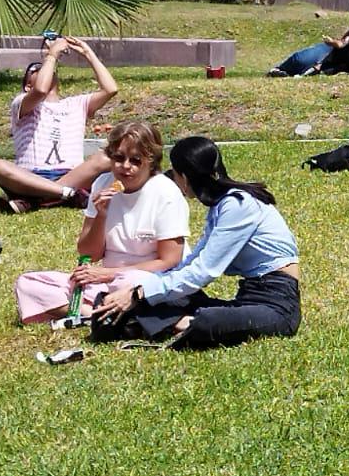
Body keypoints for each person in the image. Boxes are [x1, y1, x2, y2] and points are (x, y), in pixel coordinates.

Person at [91, 137, 300, 349]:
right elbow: (192, 261)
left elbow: (204, 271)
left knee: (206, 320)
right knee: (168, 299)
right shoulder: (220, 207)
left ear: (184, 176)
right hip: (248, 296)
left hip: (277, 304)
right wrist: (140, 289)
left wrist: (139, 294)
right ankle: (162, 321)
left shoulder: (239, 205)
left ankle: (177, 323)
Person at [13, 121, 189, 324]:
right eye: (119, 158)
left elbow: (169, 261)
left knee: (130, 282)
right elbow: (89, 253)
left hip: (146, 279)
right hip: (106, 282)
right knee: (29, 283)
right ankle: (96, 313)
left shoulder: (165, 192)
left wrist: (107, 274)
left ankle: (98, 311)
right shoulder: (103, 184)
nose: (125, 166)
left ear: (151, 162)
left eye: (136, 160)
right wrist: (101, 215)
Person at [0, 35, 118, 214]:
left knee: (105, 159)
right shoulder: (21, 103)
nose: (44, 69)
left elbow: (110, 89)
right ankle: (66, 194)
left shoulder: (77, 104)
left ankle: (36, 200)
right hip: (29, 177)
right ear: (28, 86)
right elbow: (41, 90)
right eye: (37, 69)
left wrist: (87, 53)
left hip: (70, 175)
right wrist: (51, 56)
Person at [267, 1, 349, 77]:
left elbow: (341, 44)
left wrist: (330, 42)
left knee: (342, 51)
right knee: (346, 60)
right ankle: (326, 69)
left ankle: (319, 67)